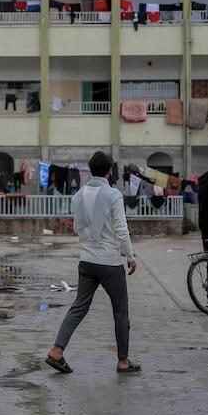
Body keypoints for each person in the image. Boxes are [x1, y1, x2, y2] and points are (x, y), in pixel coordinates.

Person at [45, 151, 140, 374]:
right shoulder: (113, 194)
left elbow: (78, 227)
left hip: (86, 260)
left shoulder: (78, 195)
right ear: (109, 171)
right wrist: (130, 256)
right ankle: (123, 361)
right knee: (120, 312)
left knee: (79, 307)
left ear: (91, 169)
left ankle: (57, 351)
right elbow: (121, 229)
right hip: (109, 262)